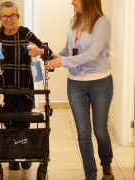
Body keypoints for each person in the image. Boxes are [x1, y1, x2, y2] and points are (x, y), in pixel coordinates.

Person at [44, 0, 114, 180]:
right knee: (83, 132)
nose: (72, 2)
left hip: (100, 82)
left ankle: (106, 164)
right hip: (75, 84)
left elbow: (92, 54)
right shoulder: (73, 21)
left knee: (100, 130)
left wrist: (63, 62)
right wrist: (52, 57)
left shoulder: (102, 23)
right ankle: (90, 176)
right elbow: (69, 49)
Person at [0, 1, 52, 171]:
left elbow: (46, 51)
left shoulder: (25, 33)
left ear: (18, 16)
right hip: (4, 87)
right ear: (0, 17)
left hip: (25, 86)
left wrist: (40, 52)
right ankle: (12, 157)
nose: (9, 19)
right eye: (5, 16)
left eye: (12, 15)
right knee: (8, 122)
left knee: (24, 121)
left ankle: (24, 154)